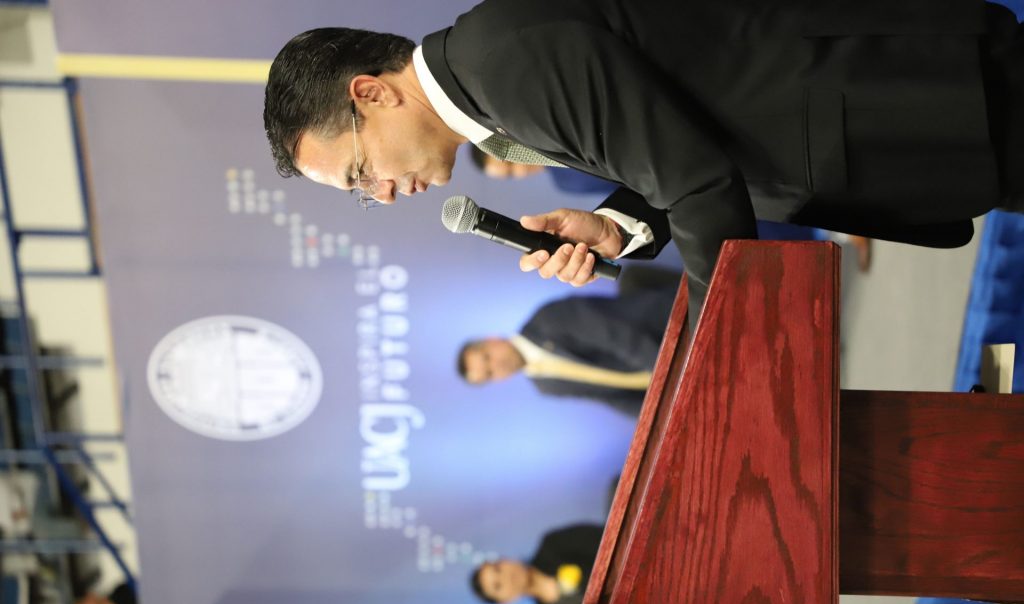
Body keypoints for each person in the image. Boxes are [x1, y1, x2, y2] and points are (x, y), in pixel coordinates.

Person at [264, 0, 1023, 320]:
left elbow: (695, 182)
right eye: (361, 194)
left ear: (373, 93)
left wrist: (716, 347)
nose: (382, 194)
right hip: (901, 126)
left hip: (915, 99)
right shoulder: (488, 83)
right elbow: (674, 144)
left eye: (360, 172)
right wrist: (615, 227)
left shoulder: (505, 66)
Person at [469, 149, 874, 271]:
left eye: (508, 162)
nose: (517, 169)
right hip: (653, 206)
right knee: (761, 224)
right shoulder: (563, 183)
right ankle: (835, 233)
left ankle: (844, 220)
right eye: (509, 175)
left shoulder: (559, 148)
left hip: (667, 172)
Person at [457, 285, 676, 415]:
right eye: (490, 373)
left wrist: (669, 377)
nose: (496, 365)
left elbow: (620, 338)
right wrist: (655, 419)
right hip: (667, 379)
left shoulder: (546, 320)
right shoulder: (544, 386)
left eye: (487, 358)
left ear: (492, 340)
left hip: (671, 327)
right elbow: (611, 396)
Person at [470, 523, 603, 604]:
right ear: (504, 602)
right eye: (498, 585)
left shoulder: (552, 545)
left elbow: (607, 542)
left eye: (498, 569)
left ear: (504, 559)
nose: (506, 577)